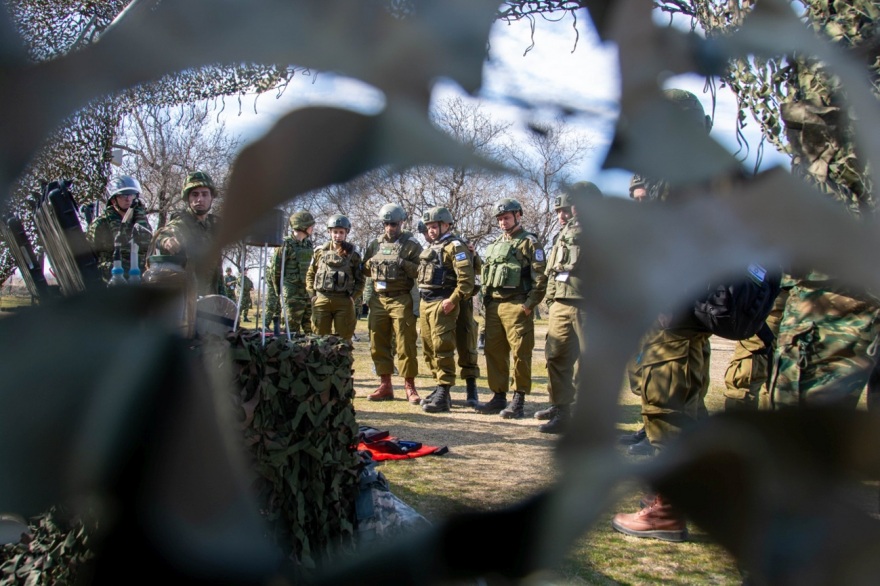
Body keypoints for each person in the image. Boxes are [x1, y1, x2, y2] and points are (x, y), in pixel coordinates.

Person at [611, 88, 721, 542]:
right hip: (686, 312)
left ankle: (667, 511)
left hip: (673, 314)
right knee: (686, 405)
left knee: (665, 406)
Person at [535, 181, 601, 434]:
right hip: (562, 304)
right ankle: (561, 410)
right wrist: (551, 301)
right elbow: (554, 271)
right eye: (559, 211)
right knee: (556, 356)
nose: (562, 215)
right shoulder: (562, 233)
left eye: (567, 208)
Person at [475, 198, 547, 419]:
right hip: (494, 306)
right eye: (499, 219)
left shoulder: (529, 243)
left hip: (517, 304)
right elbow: (487, 275)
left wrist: (529, 305)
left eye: (506, 217)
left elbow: (540, 277)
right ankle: (498, 396)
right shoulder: (495, 244)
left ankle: (519, 399)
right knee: (493, 353)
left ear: (518, 216)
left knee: (520, 354)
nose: (502, 222)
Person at [416, 207, 476, 413]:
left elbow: (466, 282)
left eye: (434, 226)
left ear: (446, 225)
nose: (431, 230)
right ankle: (439, 386)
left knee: (442, 346)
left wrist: (452, 301)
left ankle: (444, 390)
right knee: (428, 348)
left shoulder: (455, 246)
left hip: (443, 302)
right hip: (425, 301)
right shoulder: (433, 246)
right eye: (429, 227)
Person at [362, 203, 423, 404]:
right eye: (387, 224)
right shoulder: (374, 244)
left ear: (402, 222)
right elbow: (364, 269)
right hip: (379, 299)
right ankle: (385, 385)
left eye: (394, 224)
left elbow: (421, 272)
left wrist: (402, 263)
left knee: (405, 343)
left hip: (401, 297)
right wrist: (369, 265)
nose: (390, 228)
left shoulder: (412, 244)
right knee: (378, 342)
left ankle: (409, 386)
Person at [154, 171, 225, 296]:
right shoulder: (182, 222)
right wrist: (166, 241)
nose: (199, 199)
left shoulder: (214, 225)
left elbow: (217, 272)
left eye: (204, 194)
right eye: (195, 194)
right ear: (188, 198)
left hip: (211, 300)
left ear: (211, 197)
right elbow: (164, 234)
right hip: (186, 300)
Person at [306, 214, 365, 341]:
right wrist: (312, 295)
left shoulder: (353, 254)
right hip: (322, 300)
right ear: (329, 232)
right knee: (320, 340)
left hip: (344, 301)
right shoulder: (319, 252)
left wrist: (353, 297)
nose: (337, 235)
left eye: (341, 232)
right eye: (335, 232)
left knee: (343, 341)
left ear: (346, 233)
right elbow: (310, 274)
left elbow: (360, 280)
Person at [88, 175, 153, 283]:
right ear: (113, 200)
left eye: (131, 195)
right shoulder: (101, 224)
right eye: (123, 196)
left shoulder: (141, 223)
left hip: (141, 280)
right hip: (112, 282)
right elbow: (88, 258)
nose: (128, 199)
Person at [270, 211, 315, 334]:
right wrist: (279, 291)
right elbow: (275, 270)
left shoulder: (308, 244)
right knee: (291, 330)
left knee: (310, 330)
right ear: (303, 226)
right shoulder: (285, 244)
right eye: (311, 225)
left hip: (306, 293)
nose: (312, 228)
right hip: (291, 294)